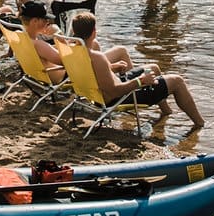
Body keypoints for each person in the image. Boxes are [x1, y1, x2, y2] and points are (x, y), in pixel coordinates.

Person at [68, 9, 206, 141]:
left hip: (97, 94)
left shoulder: (73, 52)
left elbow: (93, 74)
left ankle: (166, 112)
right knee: (177, 81)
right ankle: (200, 124)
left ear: (74, 31)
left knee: (153, 68)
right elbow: (115, 90)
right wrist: (141, 81)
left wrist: (111, 68)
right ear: (94, 32)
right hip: (119, 97)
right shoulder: (97, 57)